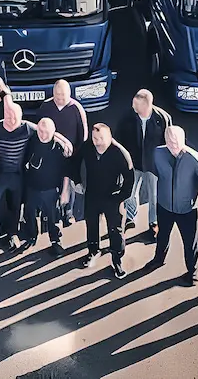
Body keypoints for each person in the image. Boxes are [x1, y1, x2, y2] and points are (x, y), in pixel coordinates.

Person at [151, 125, 198, 286]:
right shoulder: (158, 153)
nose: (173, 143)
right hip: (164, 205)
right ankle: (158, 260)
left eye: (176, 140)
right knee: (162, 236)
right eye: (170, 140)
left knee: (190, 242)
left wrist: (189, 192)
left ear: (183, 139)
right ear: (165, 140)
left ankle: (192, 273)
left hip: (187, 209)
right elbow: (157, 171)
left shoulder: (195, 159)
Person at [77, 123, 134, 278]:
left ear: (109, 137)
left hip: (112, 197)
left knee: (115, 230)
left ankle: (117, 259)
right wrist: (76, 182)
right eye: (95, 138)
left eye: (101, 138)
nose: (97, 141)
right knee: (91, 224)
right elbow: (75, 161)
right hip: (92, 195)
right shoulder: (88, 147)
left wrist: (120, 197)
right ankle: (93, 250)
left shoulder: (120, 153)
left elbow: (130, 179)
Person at [117, 89, 171, 242]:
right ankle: (130, 218)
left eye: (136, 105)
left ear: (146, 105)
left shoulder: (162, 118)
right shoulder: (128, 117)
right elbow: (119, 138)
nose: (133, 108)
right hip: (134, 162)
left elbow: (168, 142)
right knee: (130, 191)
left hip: (153, 165)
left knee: (153, 195)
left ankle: (153, 223)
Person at [38, 80, 89, 225]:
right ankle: (50, 215)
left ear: (70, 93)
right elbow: (39, 128)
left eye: (63, 94)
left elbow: (83, 134)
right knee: (51, 185)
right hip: (50, 155)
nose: (60, 97)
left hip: (71, 155)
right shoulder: (46, 106)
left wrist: (78, 154)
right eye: (57, 94)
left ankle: (68, 213)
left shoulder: (76, 108)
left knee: (69, 186)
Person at [0, 98, 34, 247]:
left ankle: (13, 233)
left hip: (17, 174)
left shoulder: (27, 128)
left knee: (16, 205)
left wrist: (64, 141)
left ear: (21, 118)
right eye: (8, 116)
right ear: (3, 116)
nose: (11, 120)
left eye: (15, 117)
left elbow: (47, 130)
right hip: (1, 173)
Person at [22, 117, 72, 255]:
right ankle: (32, 236)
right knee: (30, 214)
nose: (43, 135)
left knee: (53, 217)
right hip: (32, 187)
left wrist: (64, 192)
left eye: (47, 132)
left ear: (54, 132)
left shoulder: (59, 147)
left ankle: (55, 241)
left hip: (51, 189)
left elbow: (66, 171)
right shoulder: (32, 141)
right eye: (41, 131)